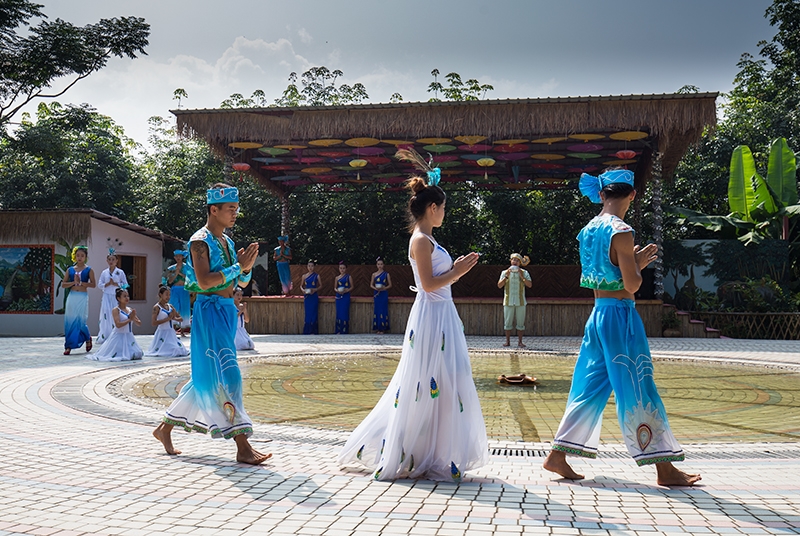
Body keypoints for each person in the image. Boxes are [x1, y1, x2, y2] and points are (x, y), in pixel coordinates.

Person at [543, 169, 701, 486]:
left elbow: (603, 276)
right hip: (621, 316)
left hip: (598, 315)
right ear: (632, 195)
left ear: (602, 195)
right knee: (640, 387)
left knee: (590, 386)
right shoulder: (622, 231)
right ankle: (664, 468)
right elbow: (631, 283)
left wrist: (632, 262)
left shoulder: (587, 231)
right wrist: (639, 264)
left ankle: (558, 455)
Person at [338, 151, 488, 481]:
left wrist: (455, 270)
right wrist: (458, 271)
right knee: (423, 382)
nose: (444, 213)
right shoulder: (420, 240)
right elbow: (429, 284)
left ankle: (434, 451)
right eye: (443, 208)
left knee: (445, 382)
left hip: (442, 314)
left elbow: (437, 280)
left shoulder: (429, 239)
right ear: (432, 208)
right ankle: (408, 451)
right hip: (431, 315)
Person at [152, 183, 271, 465]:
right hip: (209, 310)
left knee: (206, 376)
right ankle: (242, 444)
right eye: (230, 209)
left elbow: (240, 282)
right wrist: (237, 267)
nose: (235, 214)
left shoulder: (228, 243)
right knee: (228, 375)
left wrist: (246, 267)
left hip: (227, 311)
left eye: (236, 209)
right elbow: (205, 281)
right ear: (213, 209)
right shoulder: (199, 242)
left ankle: (164, 428)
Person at [89, 288, 144, 361]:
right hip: (118, 336)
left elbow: (139, 323)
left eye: (127, 296)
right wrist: (129, 319)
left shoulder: (130, 310)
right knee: (118, 355)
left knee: (137, 354)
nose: (127, 298)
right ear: (118, 298)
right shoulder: (116, 310)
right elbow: (118, 325)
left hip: (129, 336)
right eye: (124, 296)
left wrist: (133, 318)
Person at [61, 246, 96, 355]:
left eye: (82, 256)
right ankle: (68, 346)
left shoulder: (89, 270)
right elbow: (63, 284)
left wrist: (81, 283)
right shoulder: (70, 270)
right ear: (74, 257)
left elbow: (93, 284)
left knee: (80, 322)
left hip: (82, 296)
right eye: (78, 255)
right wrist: (73, 282)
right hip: (72, 296)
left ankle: (87, 337)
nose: (80, 258)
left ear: (85, 257)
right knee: (70, 321)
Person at [498, 253, 533, 348]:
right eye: (513, 260)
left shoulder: (524, 272)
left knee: (520, 322)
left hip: (520, 301)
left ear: (520, 263)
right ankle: (507, 341)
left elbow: (529, 285)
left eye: (517, 260)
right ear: (510, 261)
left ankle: (520, 342)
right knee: (508, 322)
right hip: (508, 301)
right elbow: (499, 285)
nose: (515, 262)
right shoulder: (504, 272)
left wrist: (522, 277)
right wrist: (506, 276)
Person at [146, 285, 188, 357]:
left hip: (171, 333)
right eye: (166, 295)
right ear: (160, 295)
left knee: (179, 350)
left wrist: (173, 318)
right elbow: (153, 323)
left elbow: (180, 318)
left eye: (169, 295)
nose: (168, 297)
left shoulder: (170, 307)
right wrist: (167, 319)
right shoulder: (156, 307)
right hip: (162, 333)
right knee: (169, 350)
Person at [97, 248, 128, 345]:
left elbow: (125, 284)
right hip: (106, 296)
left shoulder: (120, 272)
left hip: (116, 296)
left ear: (117, 261)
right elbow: (99, 284)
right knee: (106, 314)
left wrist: (116, 284)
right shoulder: (104, 272)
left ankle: (116, 335)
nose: (111, 261)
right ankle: (105, 336)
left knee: (116, 314)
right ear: (107, 261)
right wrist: (106, 284)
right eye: (109, 259)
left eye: (113, 259)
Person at [165, 250, 192, 336]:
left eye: (180, 256)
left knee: (184, 308)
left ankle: (183, 330)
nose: (178, 258)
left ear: (182, 257)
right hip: (175, 289)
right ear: (174, 258)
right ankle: (173, 328)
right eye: (176, 257)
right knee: (174, 307)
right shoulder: (171, 268)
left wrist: (179, 273)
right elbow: (169, 281)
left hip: (184, 288)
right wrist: (176, 274)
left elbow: (189, 278)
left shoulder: (187, 267)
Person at [371, 257, 392, 334]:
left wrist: (384, 288)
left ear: (383, 265)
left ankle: (383, 328)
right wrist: (376, 288)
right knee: (377, 310)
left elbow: (390, 285)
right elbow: (371, 285)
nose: (380, 266)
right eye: (378, 264)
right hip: (377, 293)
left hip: (383, 293)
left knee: (383, 310)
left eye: (381, 264)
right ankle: (377, 328)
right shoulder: (374, 274)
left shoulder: (386, 274)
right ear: (376, 265)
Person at [300, 260, 320, 334]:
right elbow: (301, 286)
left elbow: (320, 286)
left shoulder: (317, 276)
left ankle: (314, 330)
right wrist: (303, 290)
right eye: (309, 266)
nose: (310, 267)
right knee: (308, 313)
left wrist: (315, 289)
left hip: (314, 296)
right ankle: (307, 331)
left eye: (312, 266)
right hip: (307, 296)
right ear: (307, 267)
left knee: (314, 312)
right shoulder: (304, 276)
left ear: (314, 267)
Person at [334, 261, 352, 334]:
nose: (342, 270)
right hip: (339, 296)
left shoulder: (348, 277)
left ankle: (344, 330)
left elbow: (352, 286)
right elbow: (335, 287)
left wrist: (347, 290)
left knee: (345, 312)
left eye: (343, 268)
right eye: (341, 268)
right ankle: (338, 330)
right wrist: (337, 291)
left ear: (346, 269)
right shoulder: (337, 278)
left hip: (346, 296)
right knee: (339, 313)